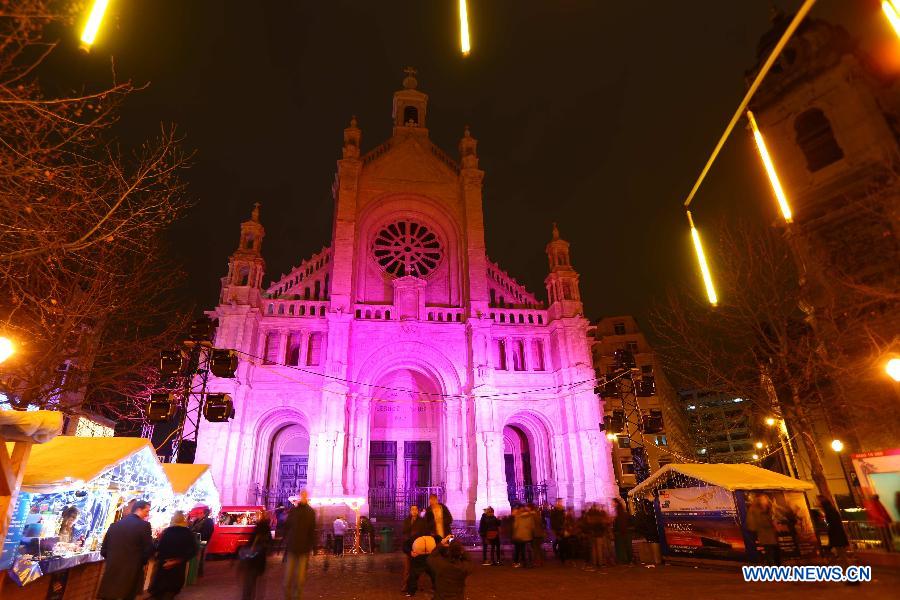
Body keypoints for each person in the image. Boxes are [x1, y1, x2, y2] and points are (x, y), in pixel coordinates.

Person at [98, 500, 155, 600]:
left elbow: (103, 550)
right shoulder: (144, 526)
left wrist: (113, 559)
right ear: (138, 509)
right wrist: (140, 562)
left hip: (112, 571)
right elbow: (148, 549)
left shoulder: (114, 525)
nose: (148, 514)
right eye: (147, 511)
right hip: (130, 574)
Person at [148, 511, 200, 600]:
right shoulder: (188, 533)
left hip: (164, 565)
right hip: (178, 567)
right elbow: (194, 550)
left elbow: (160, 547)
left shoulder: (167, 531)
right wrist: (179, 560)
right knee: (171, 591)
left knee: (161, 591)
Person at [283, 490, 316, 600]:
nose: (303, 497)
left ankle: (297, 597)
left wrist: (313, 547)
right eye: (302, 495)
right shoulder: (294, 511)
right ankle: (287, 597)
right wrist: (286, 541)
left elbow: (312, 530)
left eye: (305, 495)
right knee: (287, 578)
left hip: (303, 549)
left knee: (300, 579)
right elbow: (287, 527)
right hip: (292, 548)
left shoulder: (311, 512)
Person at [239, 509, 273, 600]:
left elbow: (252, 542)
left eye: (257, 515)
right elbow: (269, 544)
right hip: (259, 561)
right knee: (257, 584)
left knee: (250, 584)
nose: (255, 517)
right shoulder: (265, 527)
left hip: (254, 560)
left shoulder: (260, 527)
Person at [746, 493, 780, 566]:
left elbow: (775, 517)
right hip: (764, 533)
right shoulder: (755, 509)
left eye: (765, 498)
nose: (765, 500)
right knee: (769, 551)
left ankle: (774, 566)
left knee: (773, 551)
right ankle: (772, 567)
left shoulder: (769, 508)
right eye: (763, 499)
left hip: (771, 533)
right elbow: (754, 522)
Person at [818, 495, 850, 564]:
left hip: (835, 533)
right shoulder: (832, 509)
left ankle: (846, 565)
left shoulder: (829, 511)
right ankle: (845, 565)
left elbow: (831, 522)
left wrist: (827, 525)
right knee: (840, 550)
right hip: (838, 532)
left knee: (839, 550)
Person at [402, 505, 427, 589]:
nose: (414, 511)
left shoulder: (422, 521)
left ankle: (420, 585)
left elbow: (424, 532)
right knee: (407, 567)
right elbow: (404, 531)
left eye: (416, 509)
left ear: (418, 511)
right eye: (412, 509)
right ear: (410, 511)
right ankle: (406, 585)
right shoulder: (407, 521)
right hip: (409, 546)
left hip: (419, 545)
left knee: (419, 566)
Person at [190, 507, 215, 576]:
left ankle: (199, 572)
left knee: (200, 556)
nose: (198, 514)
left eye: (200, 513)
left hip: (202, 541)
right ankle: (196, 571)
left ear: (204, 514)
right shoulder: (197, 521)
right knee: (196, 556)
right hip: (195, 540)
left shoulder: (208, 521)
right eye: (198, 513)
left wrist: (198, 535)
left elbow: (207, 533)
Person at [613, 497, 633, 565]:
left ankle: (624, 560)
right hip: (626, 532)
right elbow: (630, 522)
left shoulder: (618, 514)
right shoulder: (625, 514)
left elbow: (617, 524)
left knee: (622, 547)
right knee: (628, 546)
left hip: (621, 532)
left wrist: (615, 530)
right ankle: (630, 560)